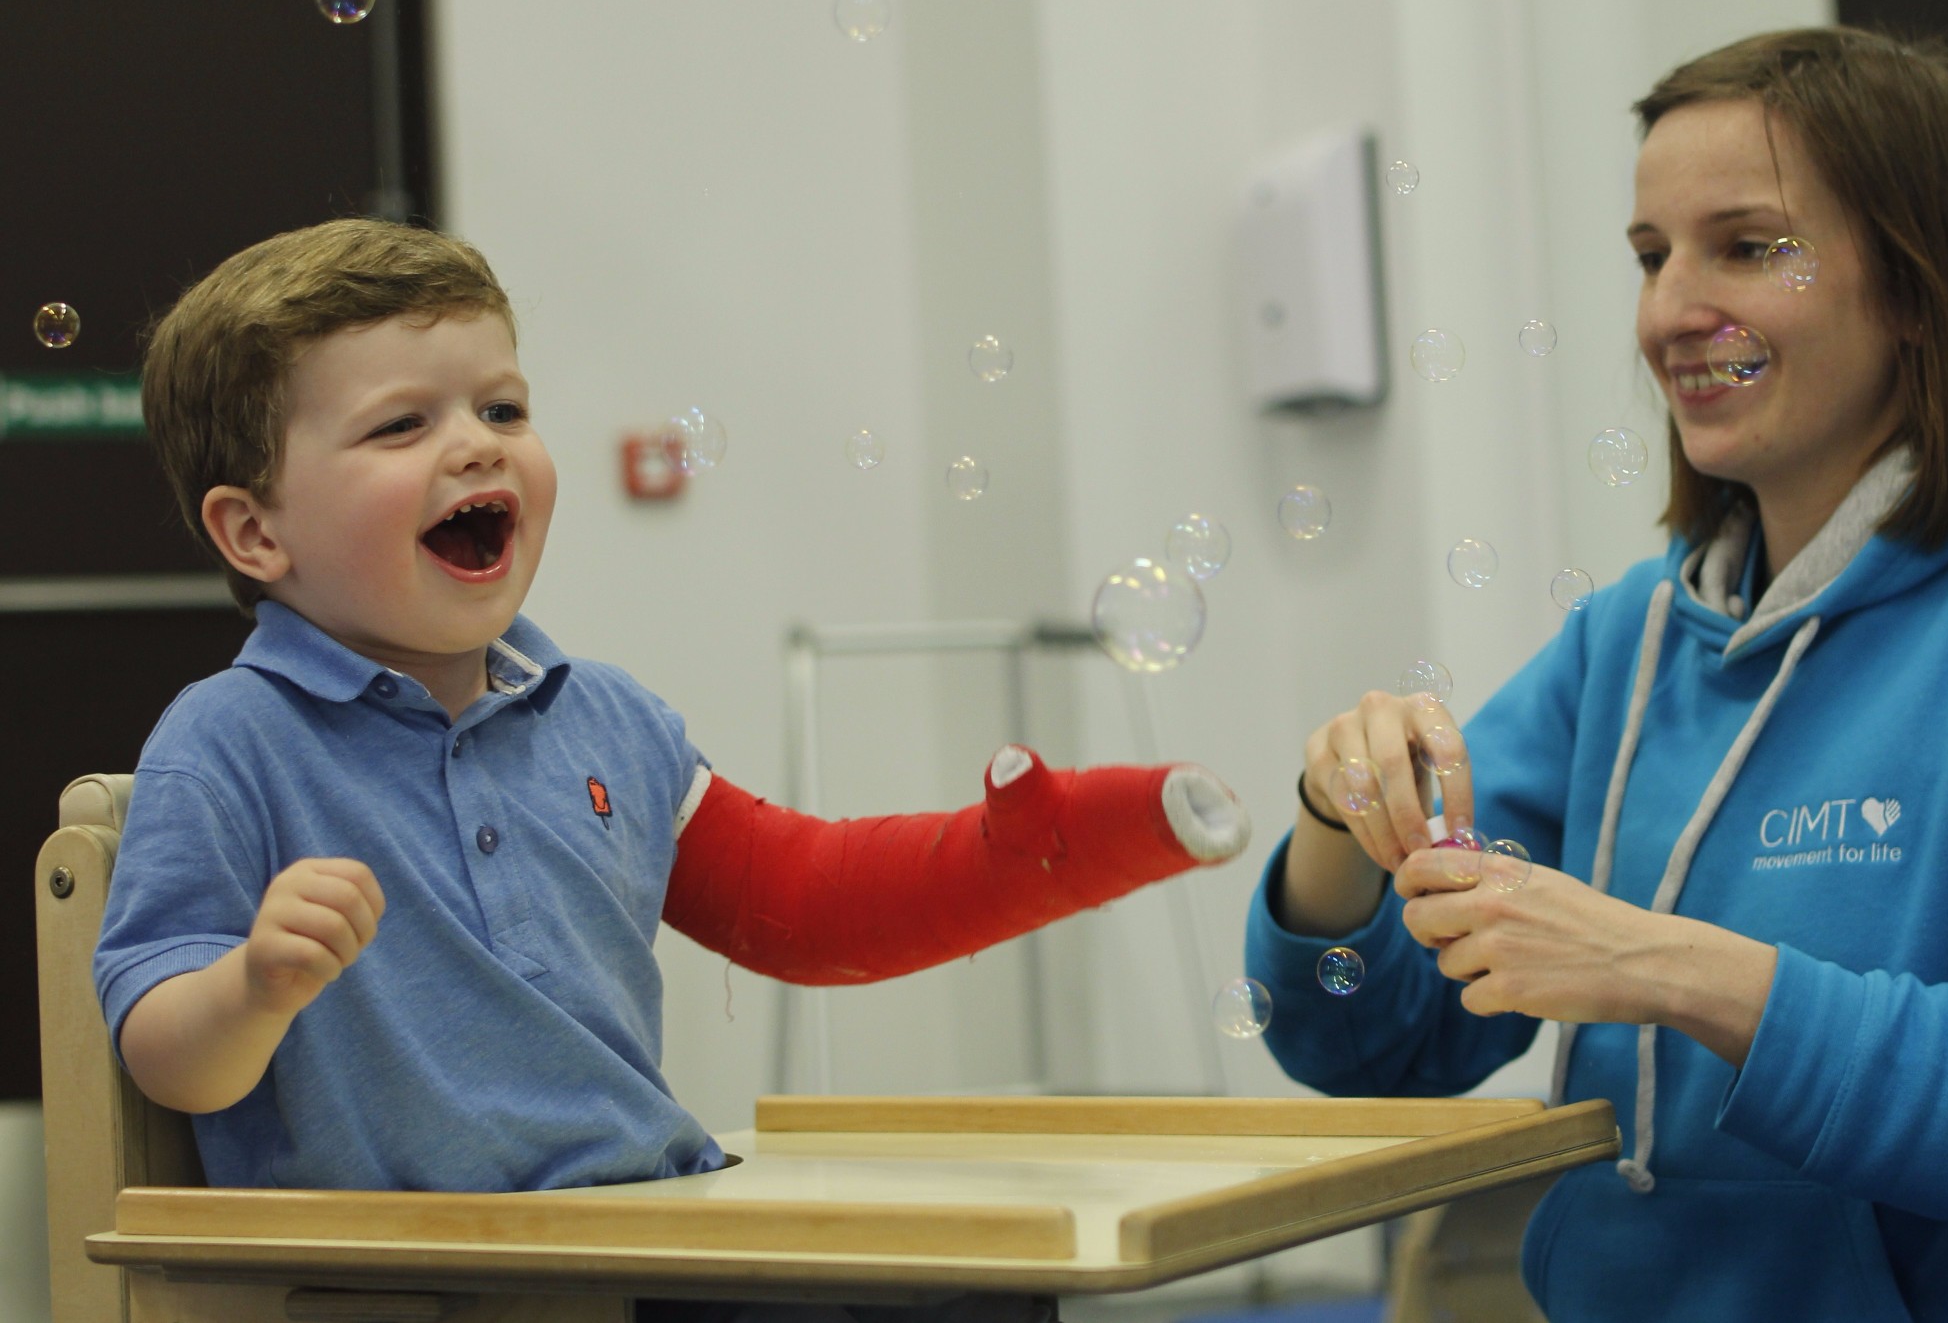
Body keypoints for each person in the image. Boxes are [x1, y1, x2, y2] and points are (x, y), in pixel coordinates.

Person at [1246, 26, 1948, 1320]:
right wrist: (1336, 818)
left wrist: (1672, 970)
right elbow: (1367, 1038)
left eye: (1747, 244)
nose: (1670, 309)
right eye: (1650, 255)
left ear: (1911, 283)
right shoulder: (1629, 638)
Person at [93, 217, 1252, 1195]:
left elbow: (808, 905)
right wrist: (253, 988)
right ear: (254, 531)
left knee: (971, 1293)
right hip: (431, 1280)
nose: (475, 450)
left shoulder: (606, 720)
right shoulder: (228, 742)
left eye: (501, 410)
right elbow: (165, 1061)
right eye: (403, 425)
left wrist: (1080, 838)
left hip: (643, 1230)